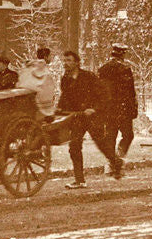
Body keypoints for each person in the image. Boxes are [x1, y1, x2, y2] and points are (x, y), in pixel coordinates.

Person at [57, 51, 119, 186]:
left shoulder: (88, 77)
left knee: (101, 143)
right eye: (64, 60)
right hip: (78, 117)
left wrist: (94, 109)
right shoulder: (65, 79)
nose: (65, 63)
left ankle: (116, 163)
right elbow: (65, 96)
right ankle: (79, 180)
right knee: (74, 146)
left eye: (68, 60)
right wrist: (60, 108)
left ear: (77, 63)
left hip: (92, 116)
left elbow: (103, 95)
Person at [97, 43, 137, 159]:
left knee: (110, 135)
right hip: (123, 108)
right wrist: (133, 109)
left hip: (109, 108)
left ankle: (111, 160)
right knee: (128, 135)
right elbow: (130, 91)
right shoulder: (125, 69)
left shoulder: (103, 69)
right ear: (122, 54)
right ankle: (119, 155)